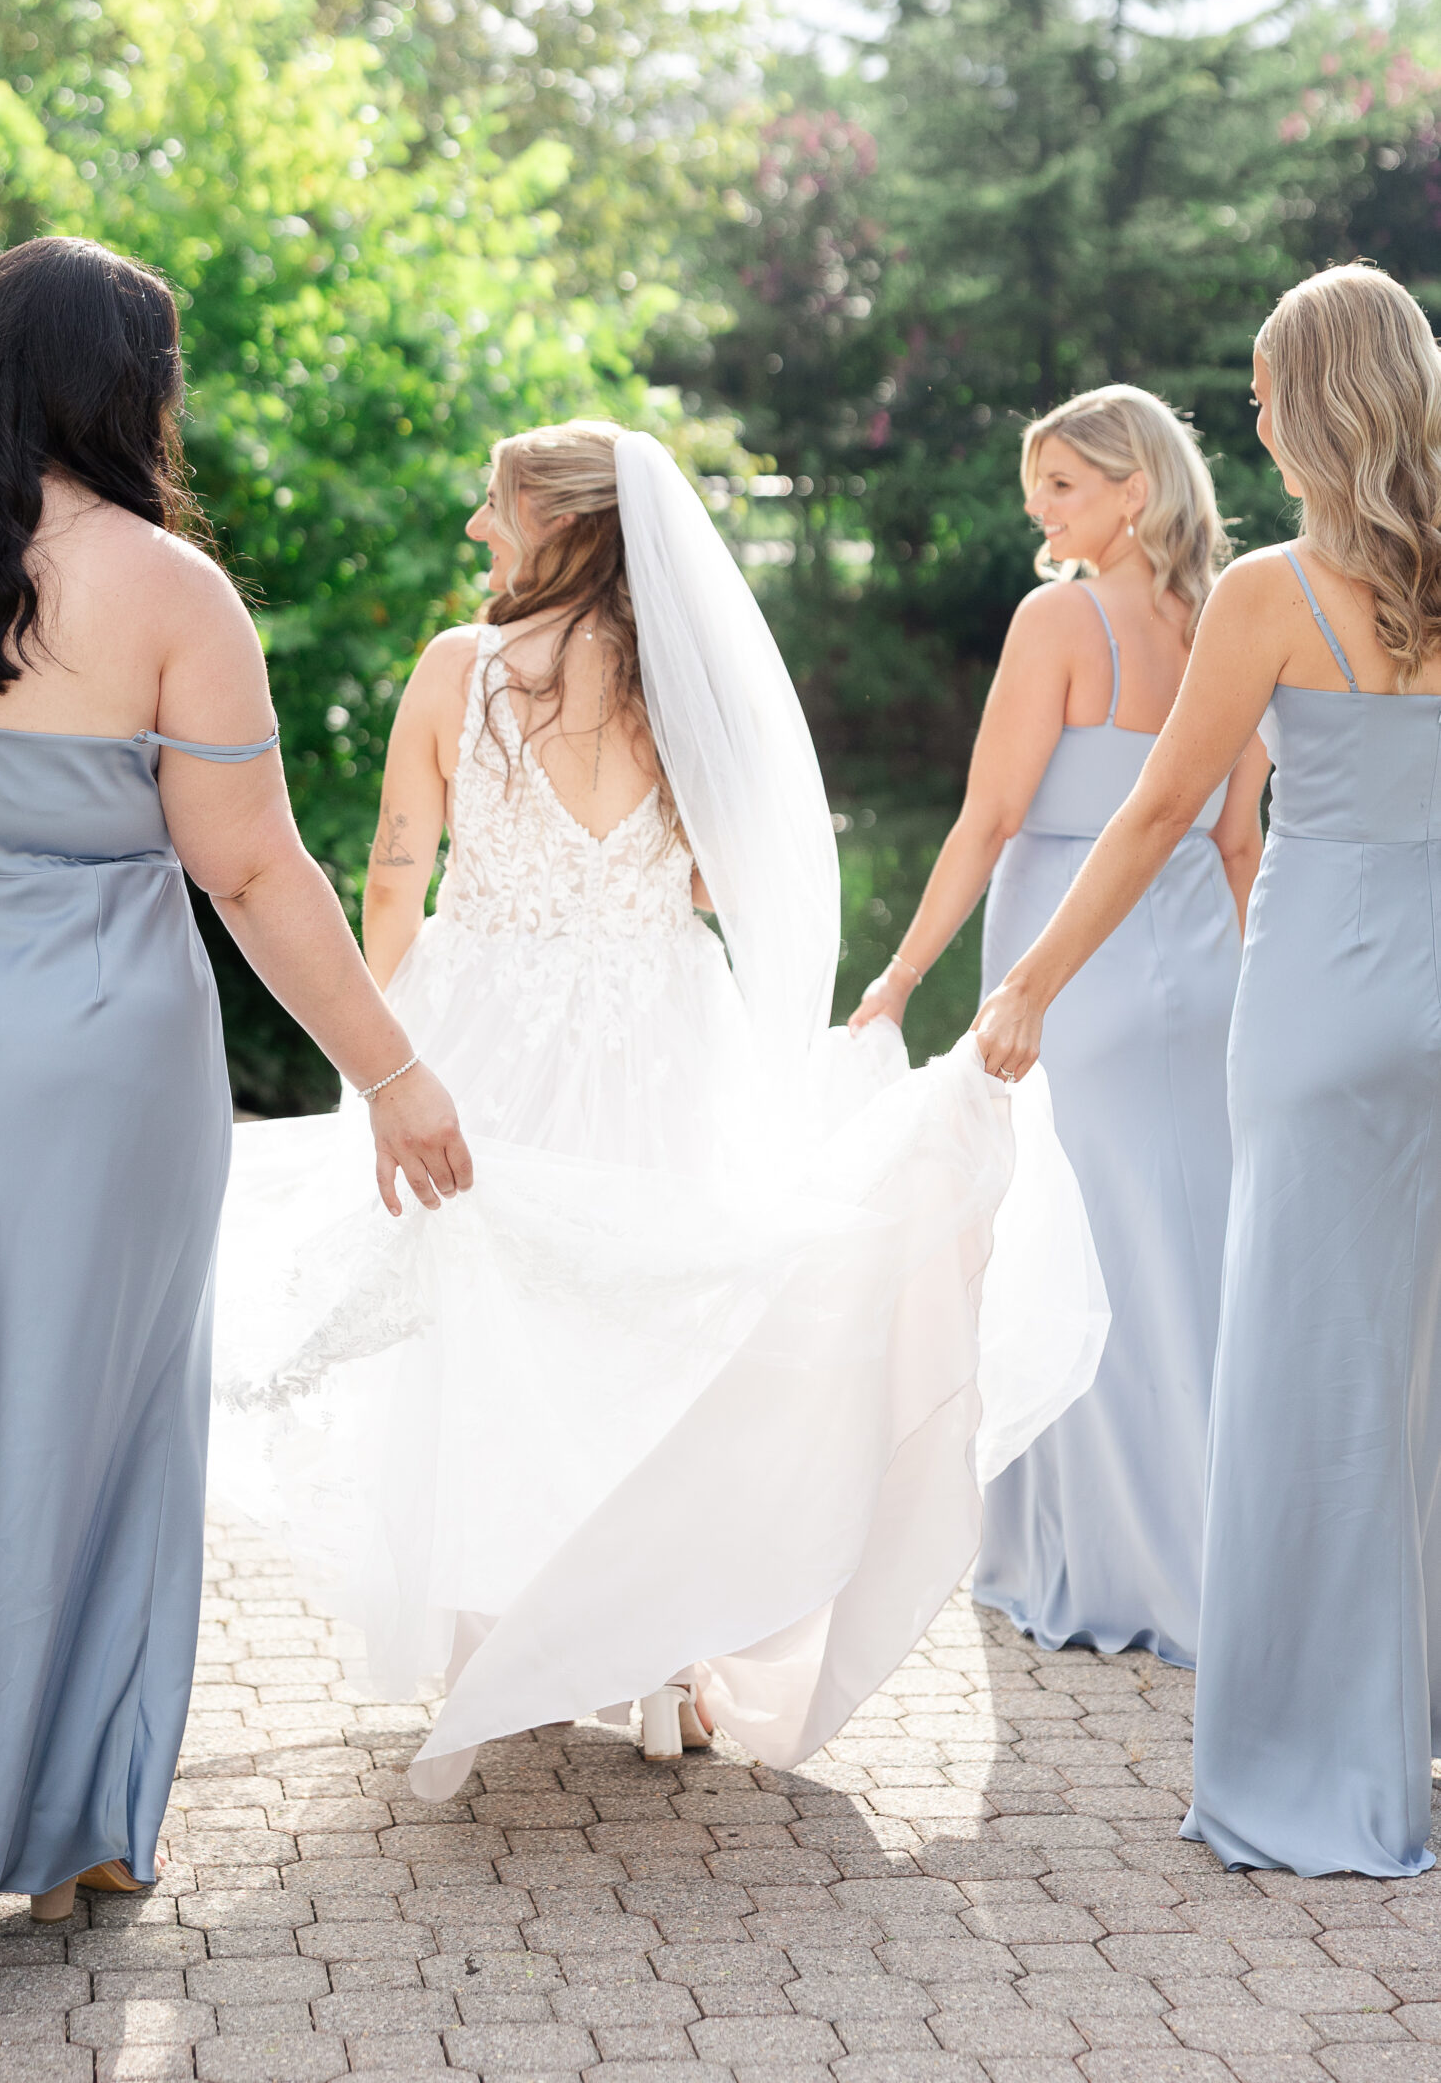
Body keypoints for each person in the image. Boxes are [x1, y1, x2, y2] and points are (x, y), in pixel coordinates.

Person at [0, 236, 469, 2030]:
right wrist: (393, 1072)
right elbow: (252, 874)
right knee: (65, 1433)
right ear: (127, 393)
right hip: (90, 1080)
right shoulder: (167, 593)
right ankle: (62, 1827)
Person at [211, 419, 1108, 1800]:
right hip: (656, 1028)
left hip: (488, 1026)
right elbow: (731, 881)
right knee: (657, 1337)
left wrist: (372, 1057)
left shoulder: (459, 671)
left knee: (493, 1329)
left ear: (557, 525)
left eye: (494, 505)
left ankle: (495, 1649)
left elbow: (394, 877)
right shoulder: (680, 688)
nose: (472, 530)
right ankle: (653, 1671)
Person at [976, 263, 1441, 1878]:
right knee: (1423, 1373)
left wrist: (1029, 972)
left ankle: (1319, 1768)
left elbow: (1161, 813)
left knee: (1303, 1386)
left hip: (1314, 1013)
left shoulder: (1269, 593)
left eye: (1259, 388)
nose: (1244, 414)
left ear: (1311, 404)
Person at [853, 387, 1265, 1666]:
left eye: (1065, 488)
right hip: (1200, 966)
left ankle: (1092, 1550)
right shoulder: (1236, 616)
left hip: (1068, 969)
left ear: (1134, 491)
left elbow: (985, 818)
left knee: (1064, 1247)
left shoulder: (1060, 618)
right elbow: (1242, 838)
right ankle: (1228, 1547)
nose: (1038, 512)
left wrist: (904, 971)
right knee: (1181, 1255)